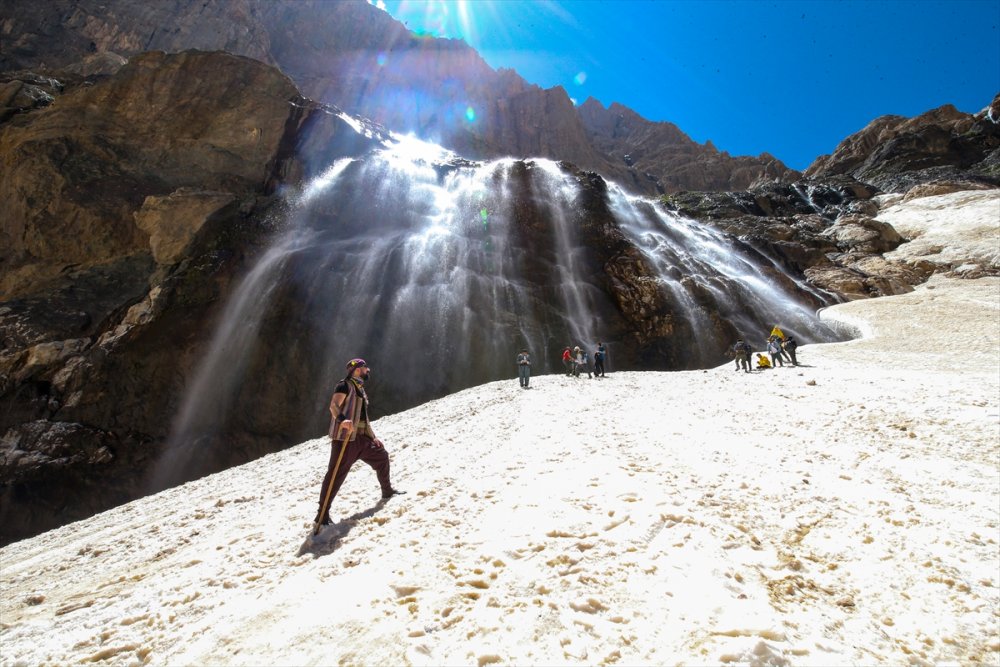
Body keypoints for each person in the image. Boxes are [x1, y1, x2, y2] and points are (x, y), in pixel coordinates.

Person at [313, 358, 404, 532]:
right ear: (356, 369)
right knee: (336, 474)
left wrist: (373, 437)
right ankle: (322, 514)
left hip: (362, 438)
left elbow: (363, 418)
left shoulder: (360, 388)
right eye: (365, 367)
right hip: (346, 439)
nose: (368, 370)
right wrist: (342, 420)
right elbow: (334, 406)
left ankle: (387, 491)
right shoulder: (344, 385)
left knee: (382, 456)